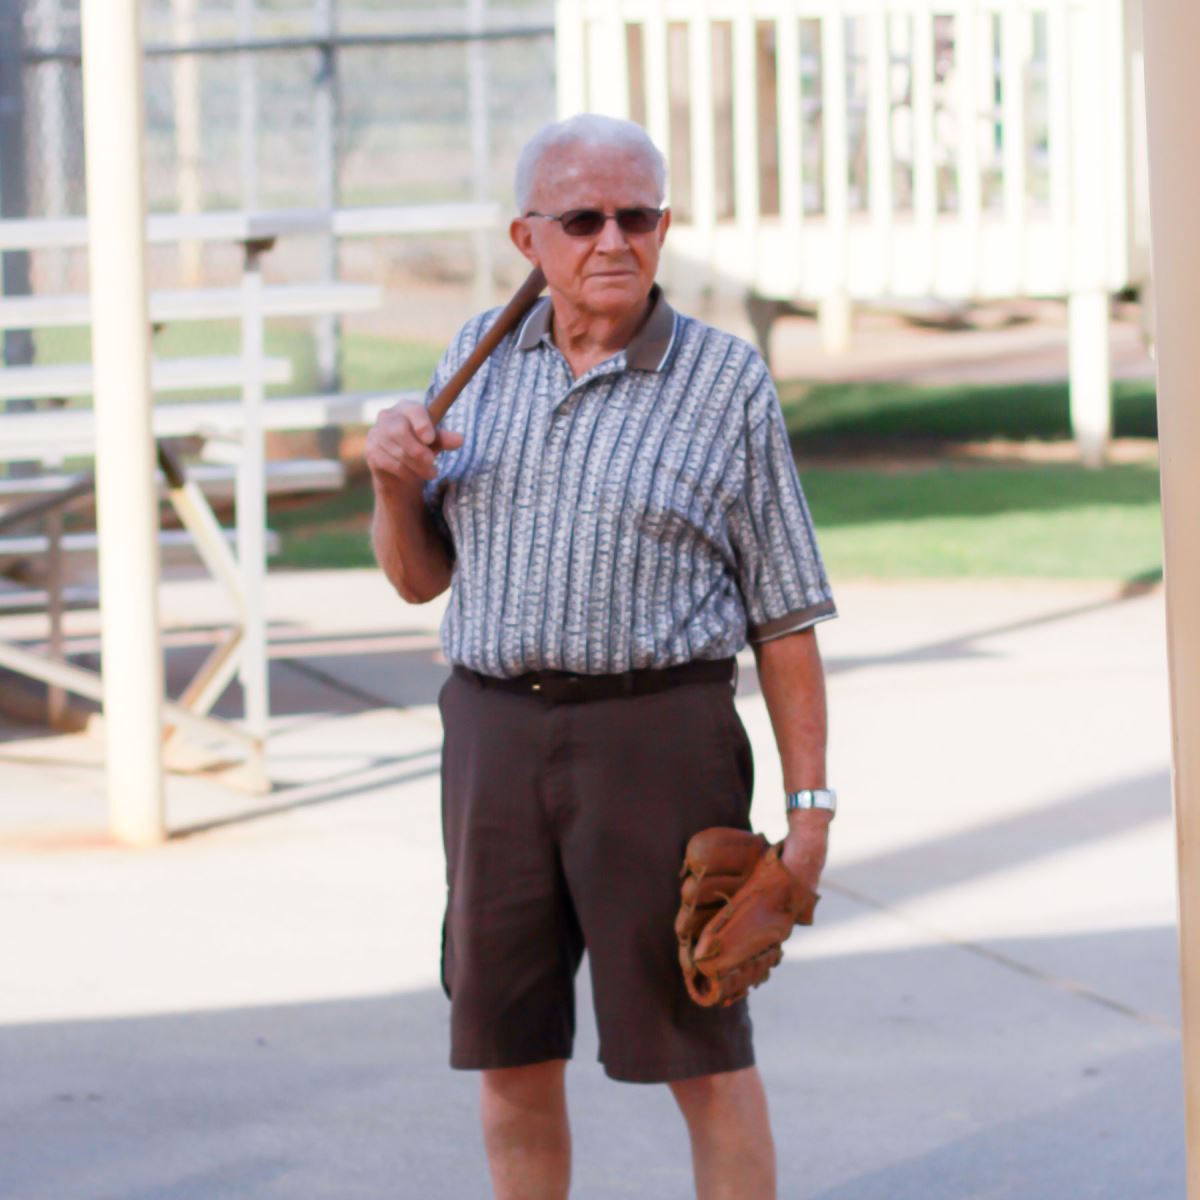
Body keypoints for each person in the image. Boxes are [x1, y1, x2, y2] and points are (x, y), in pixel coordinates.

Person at [367, 113, 837, 1200]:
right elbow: (415, 577)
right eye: (583, 219)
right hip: (492, 734)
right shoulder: (473, 361)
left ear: (665, 227)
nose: (613, 240)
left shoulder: (724, 383)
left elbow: (788, 616)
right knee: (509, 1051)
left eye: (639, 217)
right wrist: (393, 482)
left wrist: (808, 811)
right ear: (529, 238)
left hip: (659, 738)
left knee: (703, 1049)